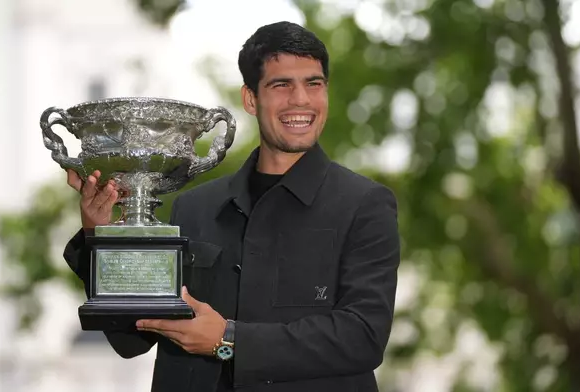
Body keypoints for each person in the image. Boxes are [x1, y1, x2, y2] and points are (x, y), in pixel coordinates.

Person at [63, 21, 400, 392]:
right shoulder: (194, 207)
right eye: (281, 84)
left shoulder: (364, 204)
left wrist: (228, 338)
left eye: (313, 83)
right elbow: (131, 339)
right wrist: (99, 236)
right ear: (251, 98)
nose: (301, 100)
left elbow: (363, 336)